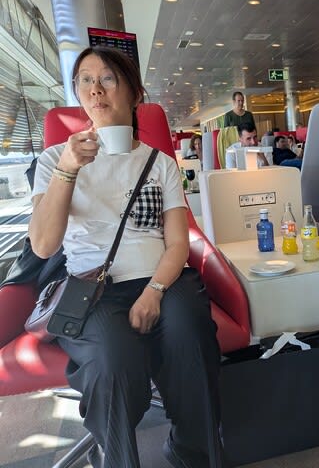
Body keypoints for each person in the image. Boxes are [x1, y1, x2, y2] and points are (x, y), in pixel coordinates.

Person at [29, 46, 222, 468]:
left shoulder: (160, 163)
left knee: (190, 333)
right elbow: (43, 245)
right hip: (93, 288)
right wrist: (68, 168)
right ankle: (117, 457)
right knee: (114, 362)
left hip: (163, 278)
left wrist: (154, 291)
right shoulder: (53, 160)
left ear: (135, 93)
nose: (95, 90)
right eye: (85, 80)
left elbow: (177, 243)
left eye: (107, 79)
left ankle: (192, 451)